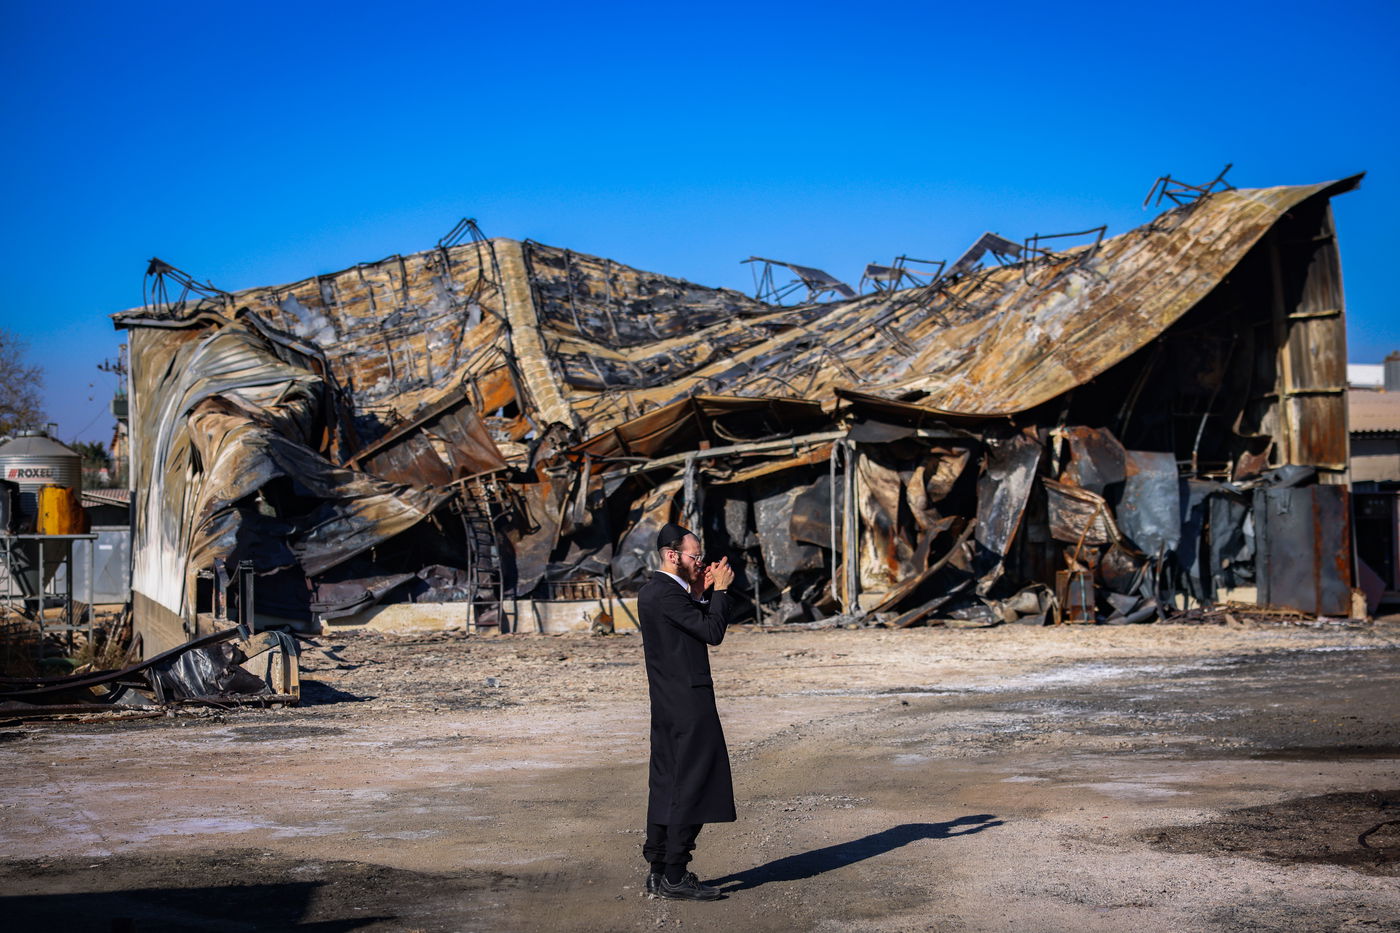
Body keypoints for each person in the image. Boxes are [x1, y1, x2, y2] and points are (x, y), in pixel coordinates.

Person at [638, 522, 738, 901]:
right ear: (672, 555)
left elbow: (687, 625)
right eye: (695, 556)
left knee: (667, 783)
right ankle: (676, 874)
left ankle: (658, 870)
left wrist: (699, 592)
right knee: (694, 783)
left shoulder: (655, 592)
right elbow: (712, 632)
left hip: (667, 704)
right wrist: (721, 591)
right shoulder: (666, 593)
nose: (701, 562)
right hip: (688, 705)